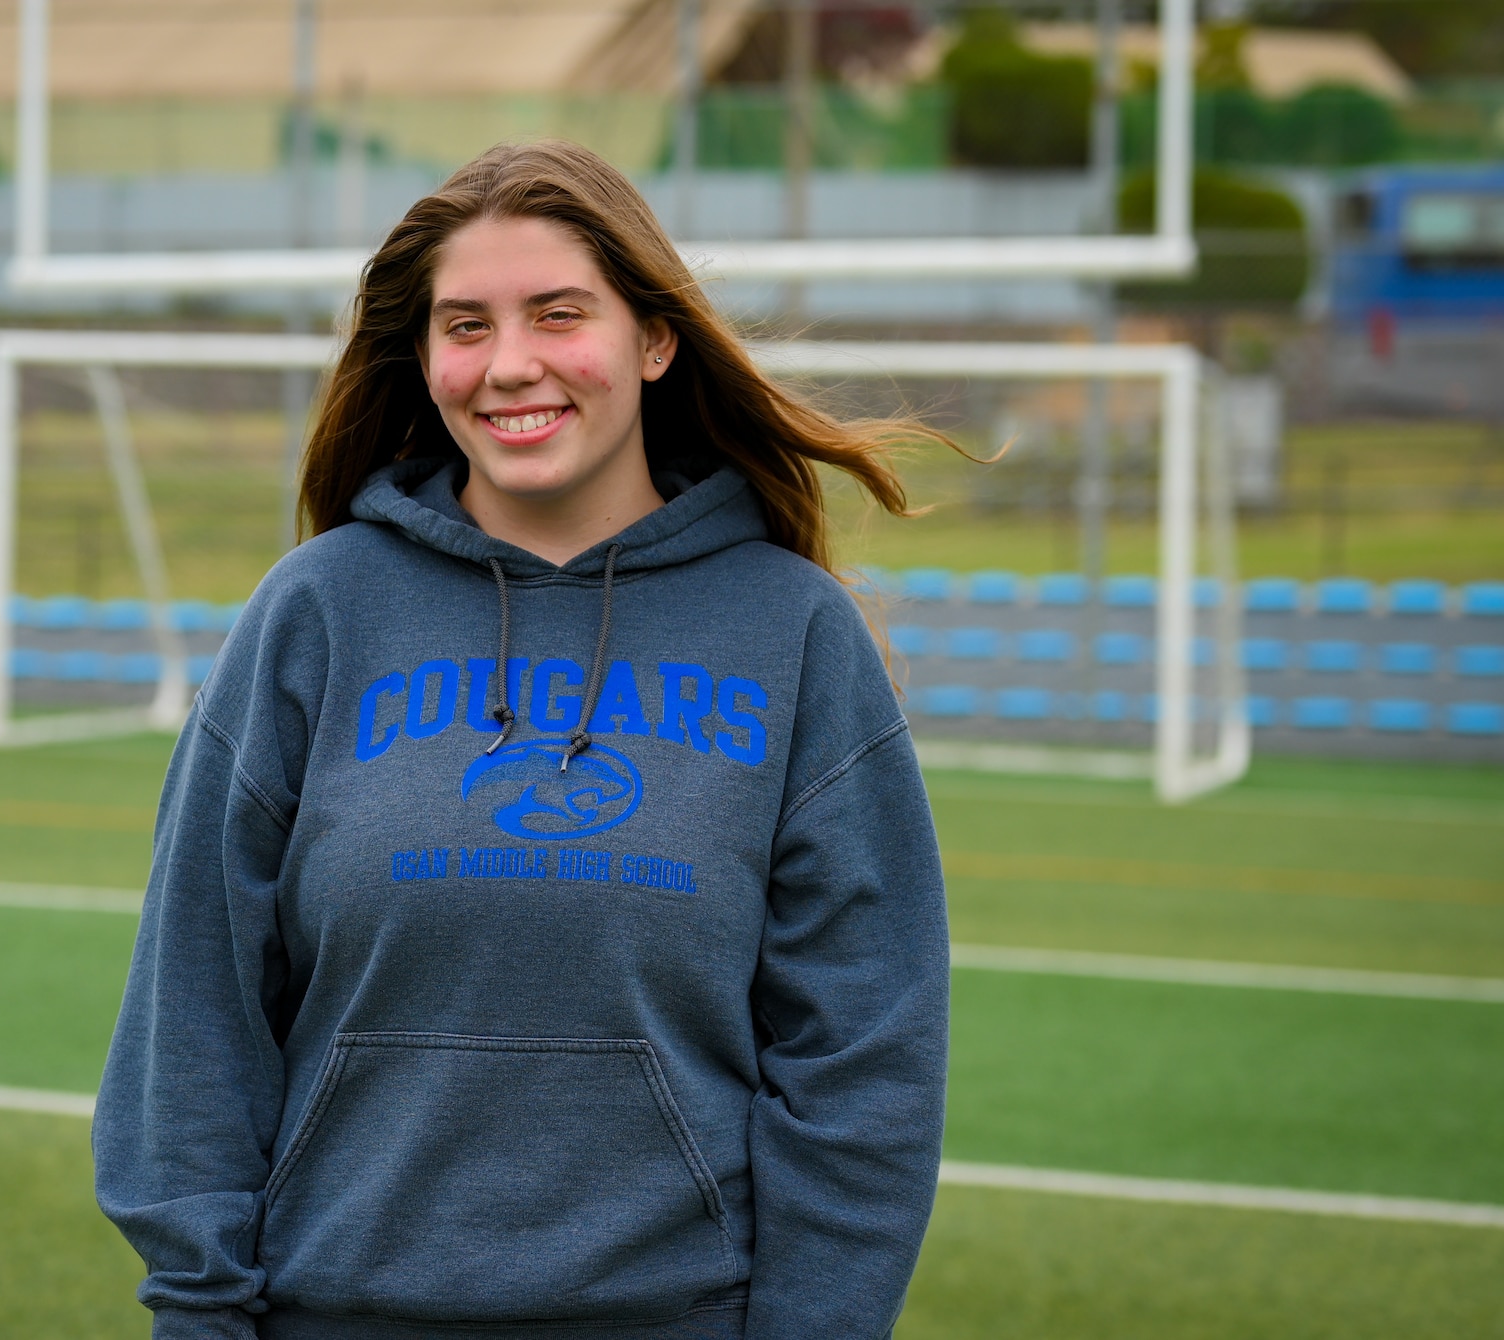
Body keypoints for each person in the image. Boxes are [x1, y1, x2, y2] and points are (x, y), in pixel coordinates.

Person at [93, 140, 951, 1340]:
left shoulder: (791, 633)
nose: (509, 366)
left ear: (653, 341)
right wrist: (196, 1306)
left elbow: (861, 1061)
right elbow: (194, 1009)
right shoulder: (316, 613)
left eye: (557, 314)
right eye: (464, 326)